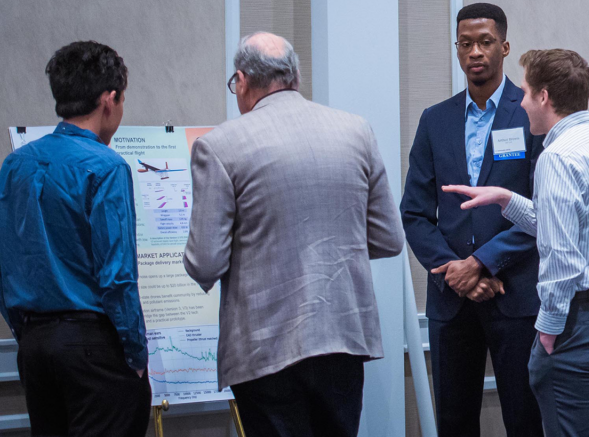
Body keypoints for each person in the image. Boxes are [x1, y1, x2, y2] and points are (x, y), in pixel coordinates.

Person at [184, 32, 404, 437]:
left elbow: (205, 262)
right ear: (296, 78)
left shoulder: (219, 147)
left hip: (264, 347)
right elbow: (389, 238)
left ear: (242, 80)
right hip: (343, 339)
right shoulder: (356, 131)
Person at [445, 48, 589, 437]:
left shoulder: (557, 157)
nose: (519, 102)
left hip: (580, 324)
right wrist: (507, 198)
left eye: (524, 93)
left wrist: (548, 333)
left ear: (544, 97)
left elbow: (563, 258)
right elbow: (580, 229)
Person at [401, 3, 544, 436]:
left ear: (504, 46)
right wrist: (455, 272)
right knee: (454, 421)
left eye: (484, 42)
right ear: (457, 49)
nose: (475, 52)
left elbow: (543, 208)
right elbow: (415, 213)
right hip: (451, 297)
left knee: (525, 419)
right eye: (466, 43)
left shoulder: (531, 113)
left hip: (514, 292)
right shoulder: (435, 120)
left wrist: (482, 263)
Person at [0, 41, 150, 436]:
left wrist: (28, 332)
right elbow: (117, 276)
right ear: (110, 98)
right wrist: (135, 353)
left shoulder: (14, 165)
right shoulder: (106, 167)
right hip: (93, 347)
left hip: (35, 346)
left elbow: (5, 262)